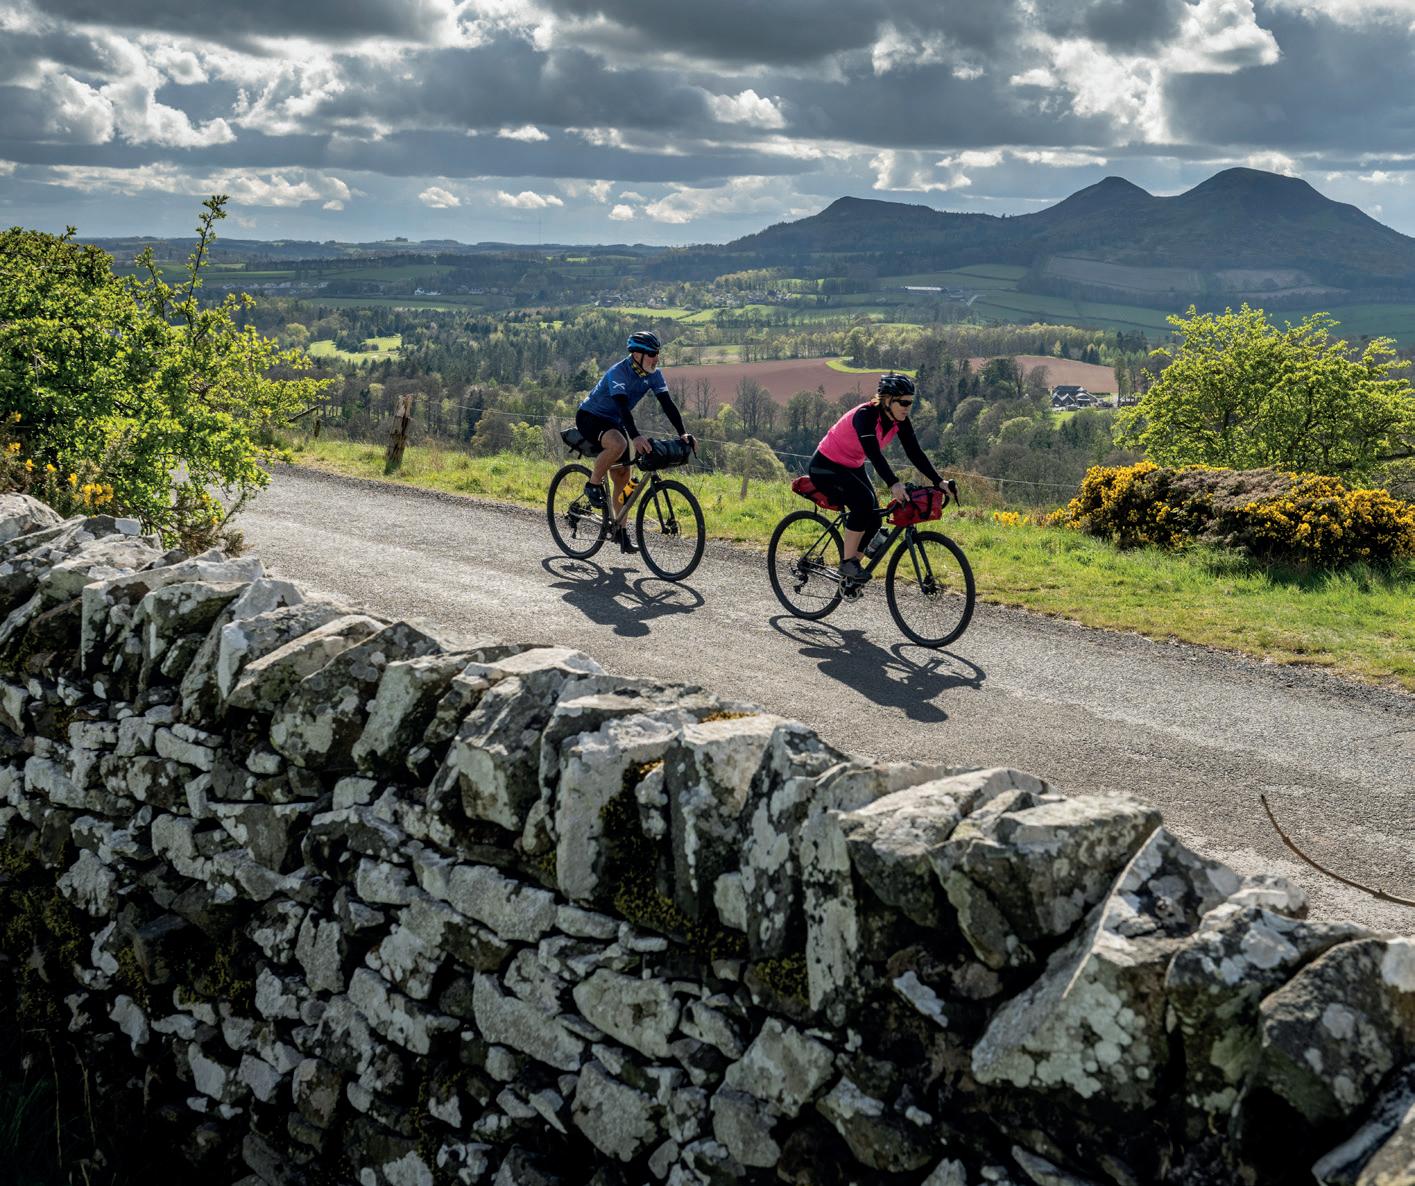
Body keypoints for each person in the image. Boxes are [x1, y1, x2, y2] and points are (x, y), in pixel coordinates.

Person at [807, 373, 944, 585]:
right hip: (826, 465)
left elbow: (915, 453)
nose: (908, 407)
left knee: (874, 517)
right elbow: (874, 454)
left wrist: (939, 481)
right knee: (863, 501)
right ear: (887, 399)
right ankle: (847, 563)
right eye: (903, 402)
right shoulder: (866, 415)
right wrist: (893, 483)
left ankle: (852, 574)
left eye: (911, 402)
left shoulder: (899, 421)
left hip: (852, 465)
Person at [576, 330, 695, 553]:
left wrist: (683, 433)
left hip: (614, 421)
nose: (656, 358)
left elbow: (667, 404)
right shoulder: (618, 373)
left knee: (624, 476)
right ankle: (592, 484)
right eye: (651, 354)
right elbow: (622, 408)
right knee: (619, 444)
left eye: (657, 353)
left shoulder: (653, 374)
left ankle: (620, 531)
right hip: (590, 417)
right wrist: (636, 437)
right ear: (637, 354)